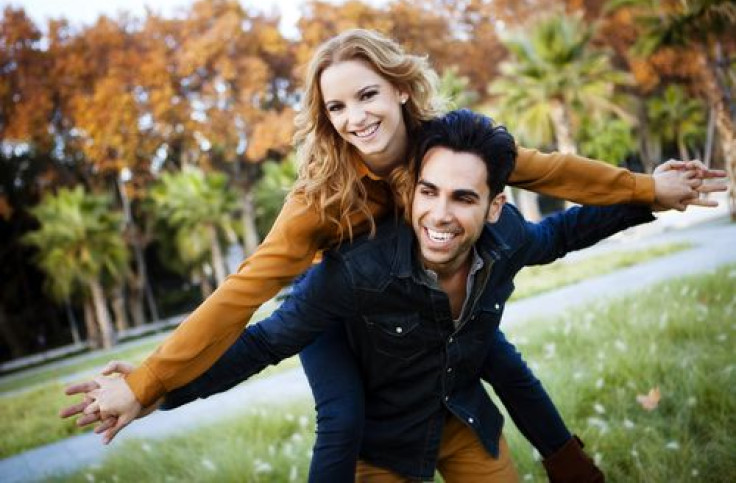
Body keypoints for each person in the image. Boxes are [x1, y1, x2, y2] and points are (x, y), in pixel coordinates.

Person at [63, 29, 724, 479]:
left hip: (424, 303)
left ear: (401, 89)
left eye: (367, 94)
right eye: (337, 106)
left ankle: (563, 456)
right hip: (331, 310)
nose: (355, 117)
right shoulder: (320, 199)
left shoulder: (454, 147)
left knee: (487, 347)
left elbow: (551, 173)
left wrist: (647, 188)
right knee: (344, 414)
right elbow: (245, 298)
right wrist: (150, 383)